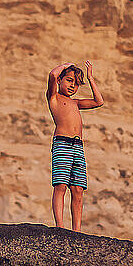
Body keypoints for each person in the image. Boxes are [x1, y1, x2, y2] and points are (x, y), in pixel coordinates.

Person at [46, 61, 104, 231]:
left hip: (78, 147)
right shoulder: (54, 98)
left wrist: (91, 78)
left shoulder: (76, 103)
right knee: (61, 185)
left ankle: (77, 230)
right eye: (69, 80)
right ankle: (60, 226)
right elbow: (52, 75)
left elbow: (99, 101)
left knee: (78, 189)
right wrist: (66, 65)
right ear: (60, 81)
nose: (73, 85)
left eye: (77, 83)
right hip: (62, 143)